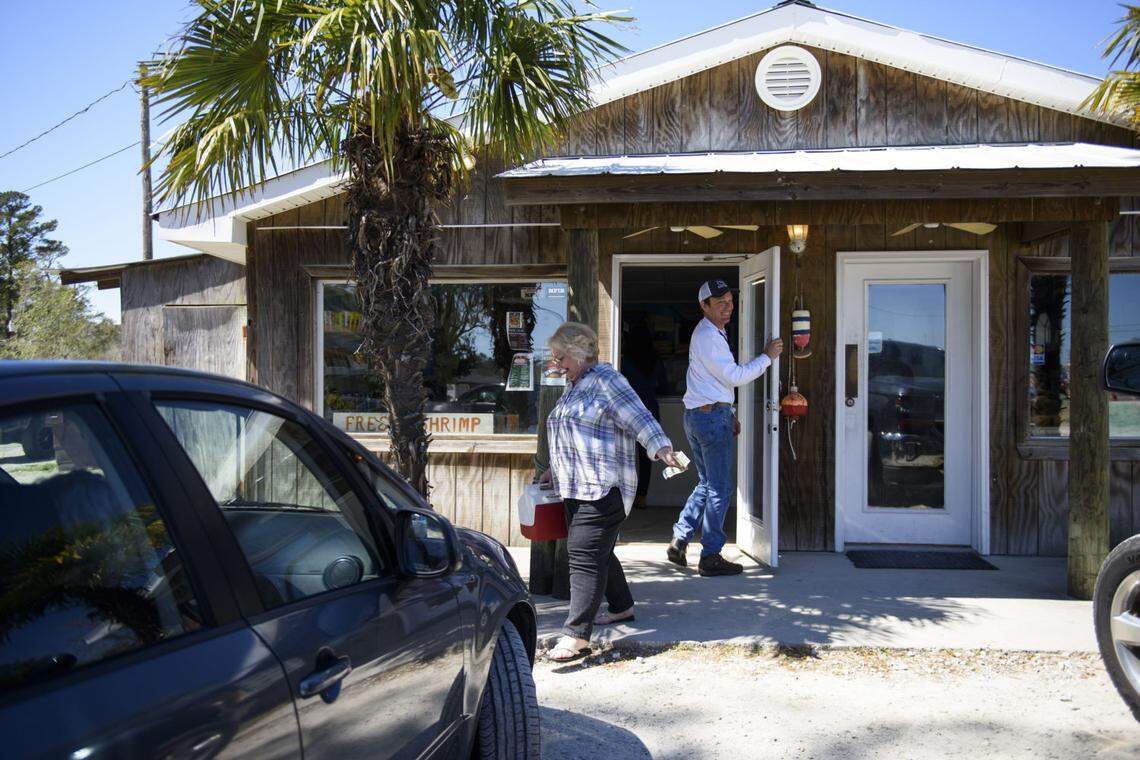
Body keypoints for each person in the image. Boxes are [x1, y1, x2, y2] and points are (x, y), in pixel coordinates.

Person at [541, 321, 681, 662]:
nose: (556, 362)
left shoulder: (606, 380)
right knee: (598, 551)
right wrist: (553, 467)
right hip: (575, 487)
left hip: (604, 487)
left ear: (578, 352)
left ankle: (576, 636)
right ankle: (622, 607)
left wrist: (662, 448)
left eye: (560, 355)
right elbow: (570, 431)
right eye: (554, 356)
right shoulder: (574, 385)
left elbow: (640, 419)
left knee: (584, 556)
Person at [669, 279, 783, 576]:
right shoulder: (709, 336)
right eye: (720, 304)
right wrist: (767, 358)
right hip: (710, 418)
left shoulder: (708, 333)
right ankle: (710, 556)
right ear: (703, 306)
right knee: (719, 487)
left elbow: (715, 382)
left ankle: (680, 539)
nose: (728, 308)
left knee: (707, 483)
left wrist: (727, 410)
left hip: (701, 415)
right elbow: (734, 376)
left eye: (730, 303)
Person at [620, 318, 667, 509]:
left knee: (626, 453)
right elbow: (664, 385)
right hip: (649, 406)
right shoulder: (655, 358)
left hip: (627, 409)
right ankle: (642, 496)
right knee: (649, 453)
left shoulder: (624, 359)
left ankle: (626, 496)